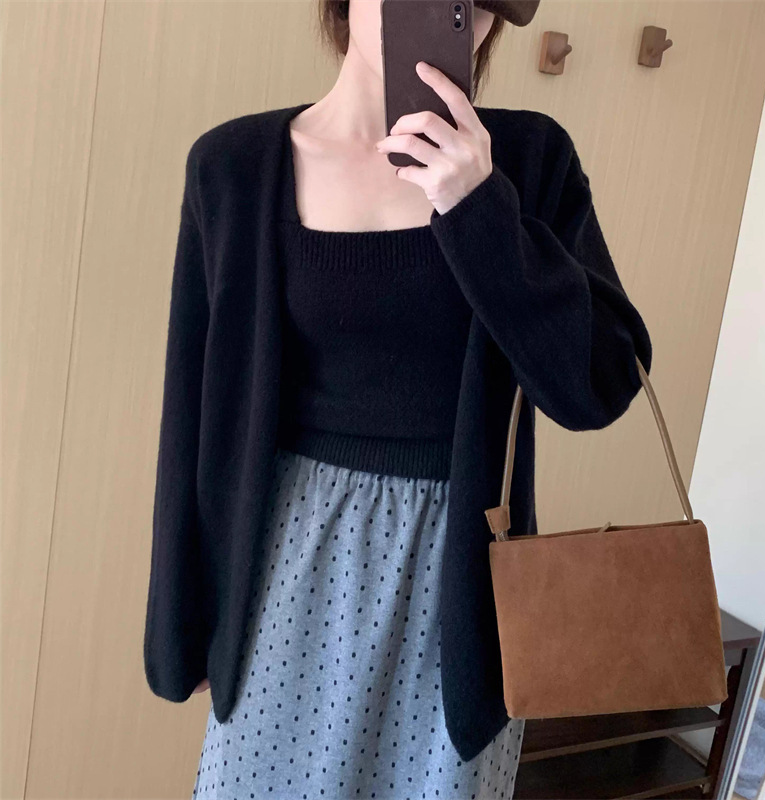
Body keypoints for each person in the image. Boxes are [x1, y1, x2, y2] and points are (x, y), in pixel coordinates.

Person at [143, 0, 653, 797]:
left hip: (457, 587)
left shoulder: (527, 160)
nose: (447, 9)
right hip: (281, 568)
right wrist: (183, 622)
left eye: (473, 3)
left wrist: (479, 207)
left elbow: (600, 385)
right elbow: (194, 411)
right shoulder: (233, 168)